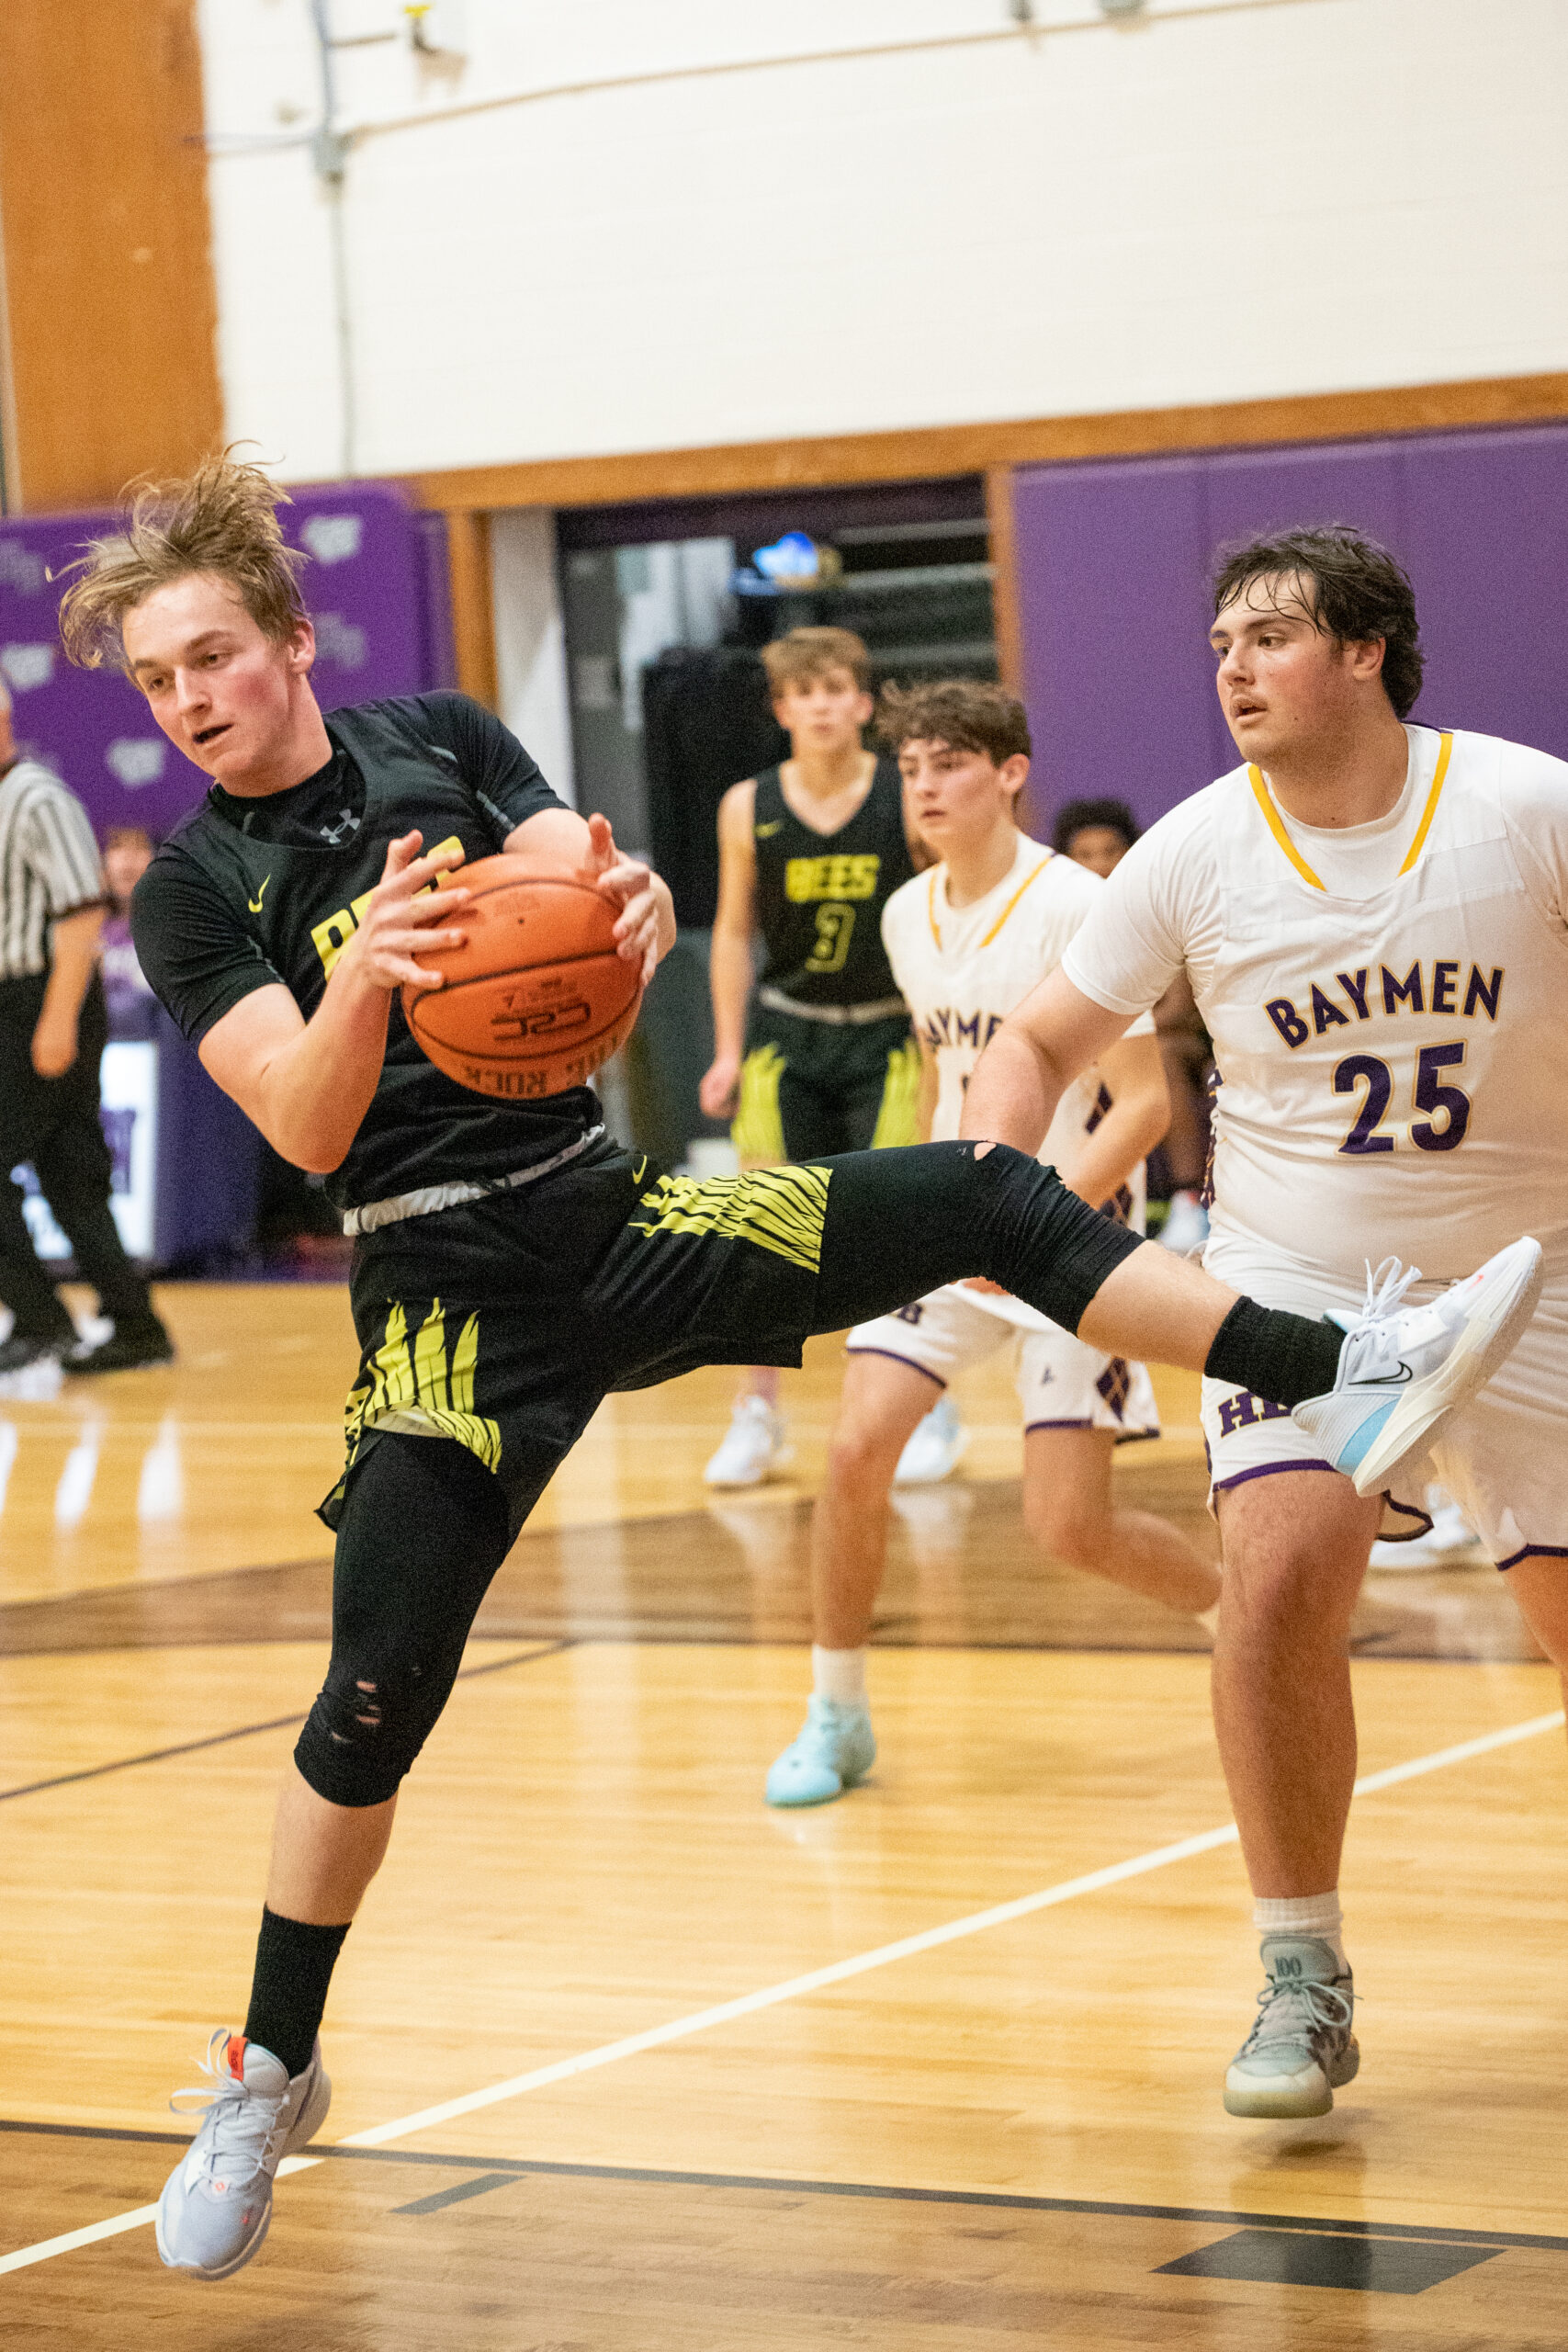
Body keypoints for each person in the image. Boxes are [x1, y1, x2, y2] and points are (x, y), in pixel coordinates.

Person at [73, 458, 1529, 2280]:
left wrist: (619, 915)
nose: (193, 697)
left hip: (602, 1214)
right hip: (443, 1289)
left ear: (286, 639)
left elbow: (585, 885)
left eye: (214, 654)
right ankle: (270, 2063)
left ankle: (1334, 1365)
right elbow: (302, 1117)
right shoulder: (200, 889)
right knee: (374, 1690)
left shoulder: (441, 734)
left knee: (986, 1192)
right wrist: (367, 969)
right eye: (157, 681)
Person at [962, 523, 1568, 2123]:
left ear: (1363, 651)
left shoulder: (1524, 805)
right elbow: (1038, 1036)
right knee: (1279, 1580)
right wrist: (977, 1168)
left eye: (1270, 637)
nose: (1231, 666)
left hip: (1538, 1271)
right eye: (1219, 641)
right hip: (1296, 1288)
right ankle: (1300, 1972)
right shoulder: (1191, 850)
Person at [767, 683, 1221, 1808]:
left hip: (1071, 1237)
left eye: (948, 764)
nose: (922, 784)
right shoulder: (904, 914)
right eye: (912, 766)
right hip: (950, 1228)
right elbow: (942, 1071)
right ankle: (837, 1713)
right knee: (854, 1450)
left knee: (1070, 1527)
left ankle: (1246, 1618)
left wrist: (1026, 1219)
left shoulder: (1078, 906)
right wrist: (938, 1194)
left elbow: (1147, 1106)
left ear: (1011, 773)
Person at [697, 626, 960, 1489]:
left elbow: (938, 913)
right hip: (788, 1027)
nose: (818, 704)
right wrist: (728, 1050)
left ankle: (923, 1403)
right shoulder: (748, 803)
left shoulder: (900, 794)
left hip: (886, 1030)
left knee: (889, 1228)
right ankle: (757, 1415)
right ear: (780, 708)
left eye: (834, 688)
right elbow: (734, 931)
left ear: (861, 703)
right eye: (801, 691)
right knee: (760, 1226)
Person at [0, 682, 172, 1374]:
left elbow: (80, 917)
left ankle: (41, 1319)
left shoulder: (39, 798)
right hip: (23, 1000)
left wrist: (57, 1021)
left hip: (45, 998)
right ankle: (134, 1325)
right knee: (70, 1171)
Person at [1056, 797, 1212, 1256]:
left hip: (1185, 1040)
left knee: (1158, 1052)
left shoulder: (1153, 906)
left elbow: (1179, 1009)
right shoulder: (1063, 917)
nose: (1099, 863)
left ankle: (1189, 1201)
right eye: (1084, 854)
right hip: (1101, 1045)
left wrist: (1111, 1030)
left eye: (1110, 850)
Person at [99, 823, 158, 1028]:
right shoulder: (82, 930)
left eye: (140, 846)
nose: (128, 857)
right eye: (116, 846)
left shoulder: (180, 928)